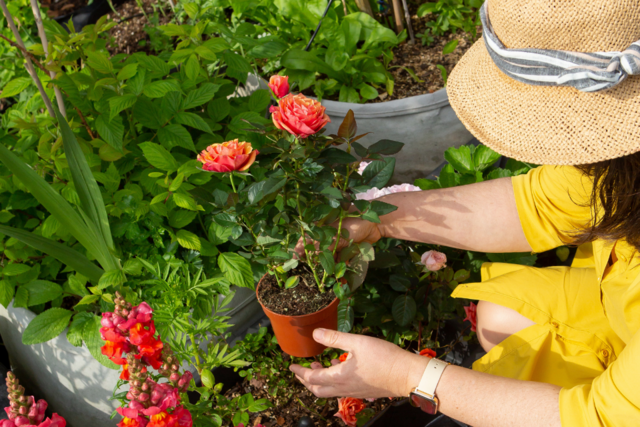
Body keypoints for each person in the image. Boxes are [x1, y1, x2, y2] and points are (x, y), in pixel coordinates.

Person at [289, 1, 640, 426]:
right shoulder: (624, 170)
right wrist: (381, 218)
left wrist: (410, 376)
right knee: (499, 317)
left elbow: (598, 419)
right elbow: (539, 204)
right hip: (619, 308)